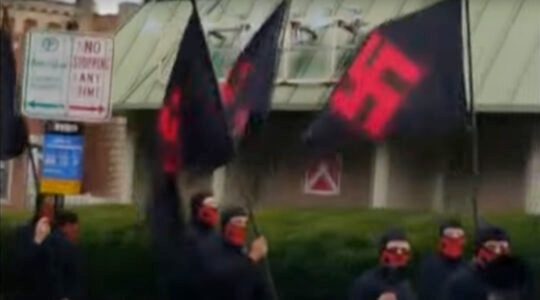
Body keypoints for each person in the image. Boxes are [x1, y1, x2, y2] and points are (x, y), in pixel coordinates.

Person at [441, 224, 536, 300]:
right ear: (478, 250)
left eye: (503, 248)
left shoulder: (520, 278)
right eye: (491, 247)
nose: (498, 252)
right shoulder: (461, 282)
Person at [204, 207, 271, 300]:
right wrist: (252, 258)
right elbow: (231, 279)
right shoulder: (216, 250)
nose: (242, 226)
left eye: (245, 223)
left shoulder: (242, 251)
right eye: (238, 222)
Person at [348, 228, 417, 300]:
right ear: (382, 253)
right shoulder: (366, 283)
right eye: (393, 250)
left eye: (404, 251)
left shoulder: (405, 285)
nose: (399, 254)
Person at [13, 194, 58, 300]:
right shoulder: (24, 233)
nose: (50, 212)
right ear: (39, 211)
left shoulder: (57, 234)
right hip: (30, 292)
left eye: (52, 208)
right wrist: (37, 241)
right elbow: (22, 263)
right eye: (47, 208)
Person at [416, 220, 466, 300]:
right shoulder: (429, 266)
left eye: (459, 236)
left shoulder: (467, 267)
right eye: (450, 235)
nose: (455, 238)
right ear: (442, 239)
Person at [53, 210, 87, 300]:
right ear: (67, 226)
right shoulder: (68, 248)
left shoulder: (48, 242)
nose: (76, 235)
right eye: (75, 231)